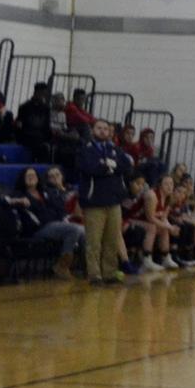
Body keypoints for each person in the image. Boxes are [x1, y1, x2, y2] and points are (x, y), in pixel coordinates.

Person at [77, 119, 133, 285]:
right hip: (94, 202)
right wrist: (108, 167)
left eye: (105, 129)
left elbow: (126, 165)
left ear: (109, 132)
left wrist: (110, 165)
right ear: (93, 130)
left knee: (112, 239)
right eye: (99, 128)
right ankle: (95, 275)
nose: (102, 131)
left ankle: (109, 273)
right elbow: (89, 168)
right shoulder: (86, 149)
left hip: (114, 200)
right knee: (94, 241)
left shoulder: (114, 149)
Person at [6, 167, 85, 279]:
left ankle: (87, 267)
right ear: (22, 179)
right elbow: (1, 201)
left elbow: (60, 209)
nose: (31, 177)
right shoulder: (19, 194)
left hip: (55, 225)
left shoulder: (45, 192)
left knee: (83, 231)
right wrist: (17, 201)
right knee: (74, 229)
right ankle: (62, 266)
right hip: (38, 228)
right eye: (28, 176)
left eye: (33, 175)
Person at [16, 82, 52, 162]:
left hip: (40, 136)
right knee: (41, 146)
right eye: (42, 93)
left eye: (45, 94)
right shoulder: (24, 107)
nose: (44, 96)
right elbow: (19, 125)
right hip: (27, 135)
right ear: (36, 92)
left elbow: (46, 126)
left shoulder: (46, 109)